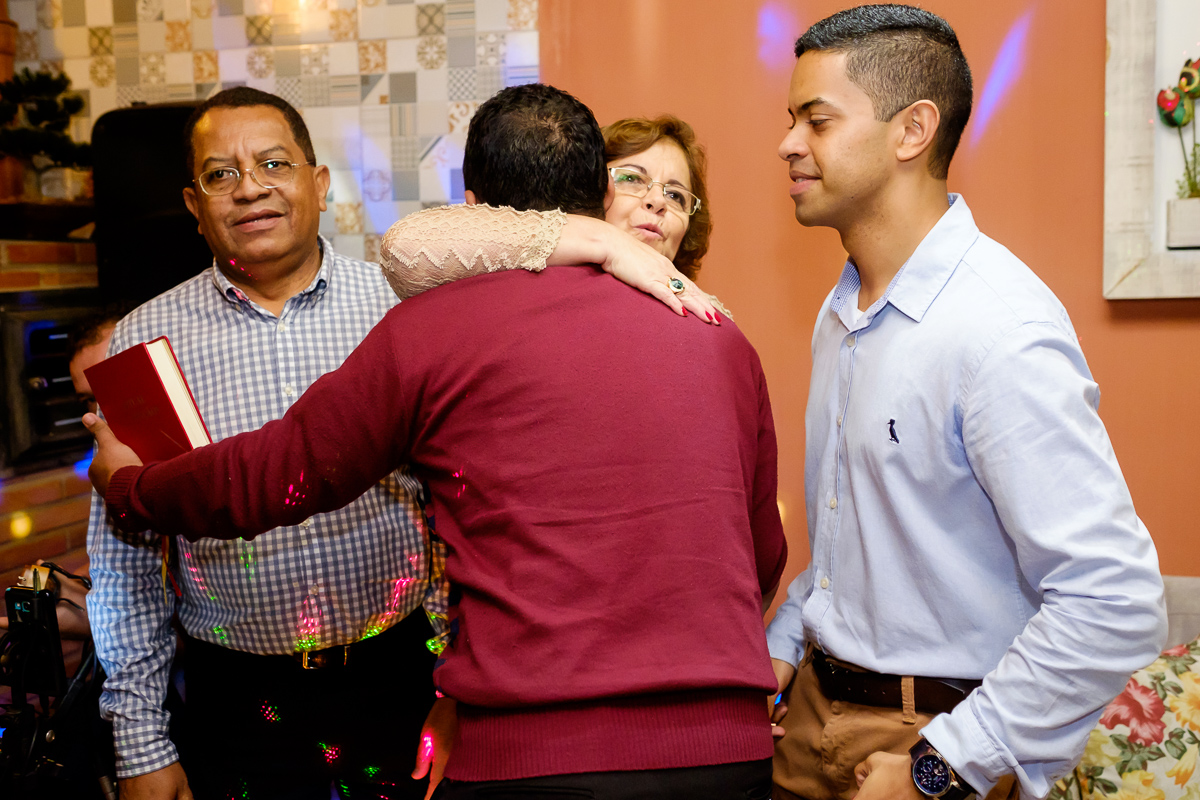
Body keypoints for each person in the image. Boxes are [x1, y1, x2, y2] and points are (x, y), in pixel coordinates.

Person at [85, 82, 788, 799]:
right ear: (599, 197)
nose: (250, 190)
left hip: (530, 753)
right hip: (726, 753)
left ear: (475, 208)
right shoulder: (721, 336)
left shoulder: (429, 325)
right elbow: (764, 556)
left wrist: (130, 485)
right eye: (221, 174)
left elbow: (281, 475)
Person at [764, 6, 1167, 800]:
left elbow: (1113, 598)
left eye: (816, 120)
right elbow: (853, 548)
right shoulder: (841, 310)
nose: (788, 144)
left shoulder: (997, 327)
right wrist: (778, 651)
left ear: (913, 130)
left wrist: (940, 766)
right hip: (810, 715)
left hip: (932, 738)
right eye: (791, 120)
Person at [84, 87, 450, 800]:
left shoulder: (403, 313)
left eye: (273, 163)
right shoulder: (143, 343)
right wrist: (140, 748)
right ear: (195, 205)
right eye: (221, 174)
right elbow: (124, 564)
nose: (249, 187)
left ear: (318, 184)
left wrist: (457, 683)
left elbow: (457, 512)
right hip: (235, 706)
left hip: (400, 683)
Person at [372, 114, 727, 315]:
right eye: (633, 178)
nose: (657, 201)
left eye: (677, 195)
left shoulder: (707, 317)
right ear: (596, 190)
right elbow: (406, 247)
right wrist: (605, 240)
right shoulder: (528, 288)